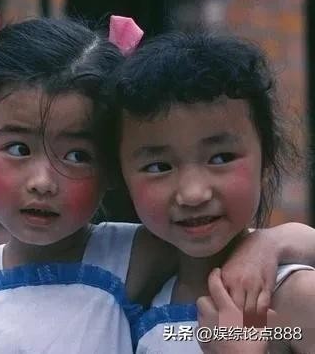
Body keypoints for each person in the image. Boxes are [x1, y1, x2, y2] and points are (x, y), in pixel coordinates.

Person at [0, 0, 311, 353]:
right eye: (19, 149)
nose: (42, 181)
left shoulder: (141, 257)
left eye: (77, 155)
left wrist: (267, 245)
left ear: (110, 165)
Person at [115, 31, 315, 353]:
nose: (193, 193)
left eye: (221, 158)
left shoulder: (295, 297)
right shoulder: (141, 295)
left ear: (266, 159)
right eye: (159, 166)